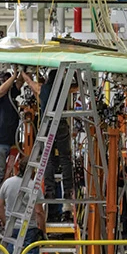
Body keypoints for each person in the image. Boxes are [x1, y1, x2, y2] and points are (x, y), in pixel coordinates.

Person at [22, 69, 76, 217]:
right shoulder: (64, 89)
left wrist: (21, 72)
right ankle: (68, 193)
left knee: (48, 159)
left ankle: (50, 193)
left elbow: (29, 82)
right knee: (65, 159)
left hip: (47, 126)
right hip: (62, 124)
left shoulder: (43, 88)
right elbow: (77, 86)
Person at [0, 156, 46, 254]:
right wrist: (43, 229)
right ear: (33, 170)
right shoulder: (34, 187)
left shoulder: (8, 183)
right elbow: (39, 212)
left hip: (12, 228)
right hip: (29, 228)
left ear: (18, 167)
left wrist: (6, 222)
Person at [0, 69, 24, 194]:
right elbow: (1, 90)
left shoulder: (10, 96)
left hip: (7, 141)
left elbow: (19, 84)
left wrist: (23, 73)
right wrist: (14, 76)